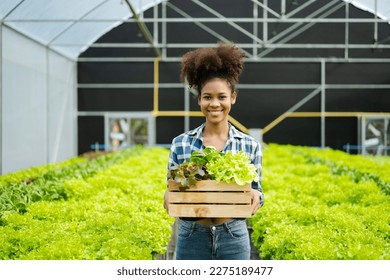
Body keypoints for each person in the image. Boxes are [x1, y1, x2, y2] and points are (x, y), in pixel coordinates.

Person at [164, 42, 264, 260]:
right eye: (207, 97)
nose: (215, 104)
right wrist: (168, 195)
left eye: (222, 97)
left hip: (234, 235)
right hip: (191, 235)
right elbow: (172, 188)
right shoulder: (181, 144)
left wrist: (257, 196)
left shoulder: (250, 145)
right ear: (199, 100)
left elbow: (257, 190)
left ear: (233, 98)